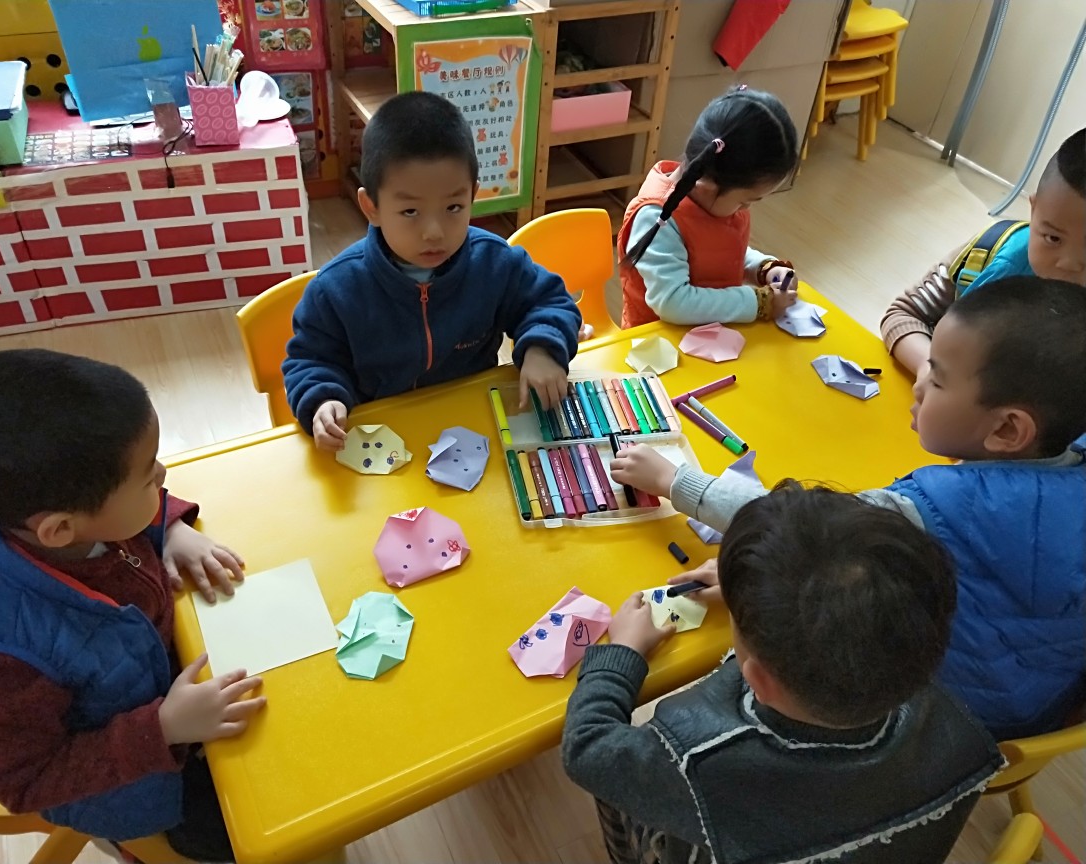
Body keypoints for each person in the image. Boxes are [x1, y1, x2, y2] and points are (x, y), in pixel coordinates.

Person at [611, 276, 1086, 741]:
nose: (919, 384)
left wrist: (674, 480)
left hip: (934, 727)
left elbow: (795, 525)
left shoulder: (936, 508)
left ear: (1007, 430)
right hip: (1038, 705)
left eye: (938, 379)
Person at [0, 350, 264, 862]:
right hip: (134, 780)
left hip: (145, 676)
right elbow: (26, 780)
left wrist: (170, 525)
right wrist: (161, 729)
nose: (163, 474)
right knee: (241, 827)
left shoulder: (40, 508)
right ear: (61, 529)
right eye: (148, 479)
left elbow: (125, 509)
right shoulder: (3, 658)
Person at [563, 483, 1003, 864]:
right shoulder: (947, 710)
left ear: (759, 681)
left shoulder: (692, 764)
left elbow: (587, 747)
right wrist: (760, 595)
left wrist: (622, 653)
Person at [283, 91, 582, 450]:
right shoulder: (336, 290)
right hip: (383, 439)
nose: (434, 232)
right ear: (371, 207)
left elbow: (549, 301)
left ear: (472, 195)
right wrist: (323, 398)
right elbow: (310, 358)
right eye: (410, 212)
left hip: (474, 429)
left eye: (454, 207)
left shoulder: (495, 262)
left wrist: (542, 349)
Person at [881, 127, 1085, 388]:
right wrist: (930, 370)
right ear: (1034, 210)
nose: (1069, 264)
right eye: (1053, 238)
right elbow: (904, 314)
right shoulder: (988, 253)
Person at [617, 86, 801, 330]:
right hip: (659, 344)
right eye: (744, 201)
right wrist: (759, 302)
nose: (744, 209)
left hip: (708, 335)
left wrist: (763, 268)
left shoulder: (712, 200)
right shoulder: (657, 218)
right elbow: (672, 301)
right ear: (707, 187)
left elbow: (718, 251)